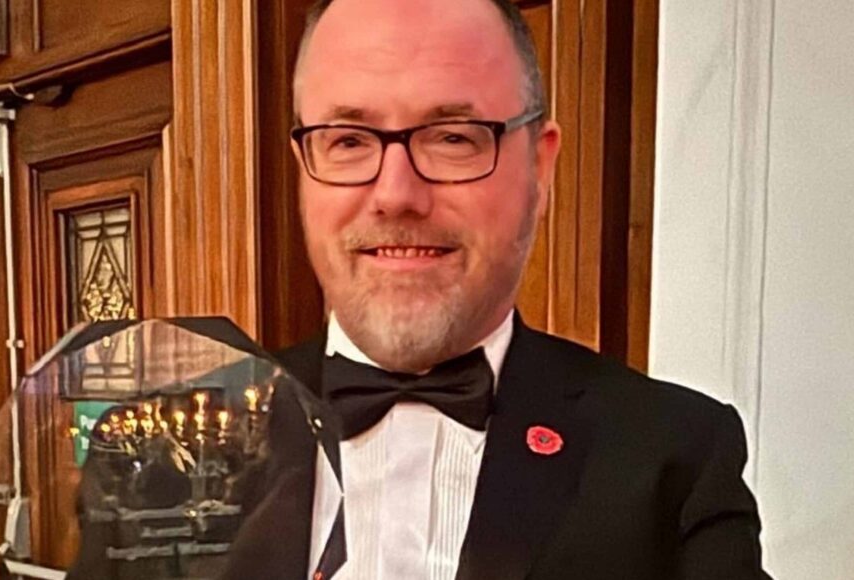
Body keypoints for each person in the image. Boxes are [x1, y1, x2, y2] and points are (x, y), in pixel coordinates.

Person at [269, 0, 772, 579]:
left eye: (453, 138)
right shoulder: (181, 442)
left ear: (540, 167)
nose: (396, 194)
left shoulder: (675, 455)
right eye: (349, 141)